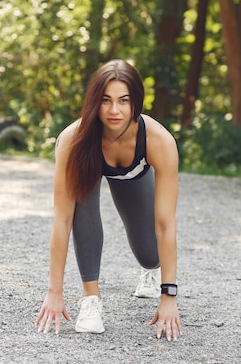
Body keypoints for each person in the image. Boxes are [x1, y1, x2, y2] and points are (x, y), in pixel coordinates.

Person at [34, 59, 183, 341]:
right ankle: (91, 298)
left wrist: (169, 295)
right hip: (89, 165)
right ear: (94, 102)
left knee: (150, 254)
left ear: (136, 102)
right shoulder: (72, 139)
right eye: (106, 100)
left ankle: (150, 271)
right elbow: (63, 219)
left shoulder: (158, 140)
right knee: (82, 198)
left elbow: (165, 224)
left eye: (124, 100)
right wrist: (54, 292)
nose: (114, 110)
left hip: (134, 176)